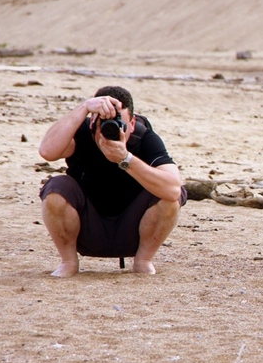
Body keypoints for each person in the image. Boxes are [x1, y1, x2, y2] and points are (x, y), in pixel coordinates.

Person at [38, 85, 186, 277]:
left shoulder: (144, 138)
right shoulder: (82, 133)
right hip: (87, 230)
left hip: (134, 231)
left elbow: (174, 189)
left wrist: (126, 160)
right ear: (93, 121)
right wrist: (84, 108)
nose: (110, 130)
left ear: (132, 123)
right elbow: (47, 151)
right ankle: (68, 262)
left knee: (167, 196)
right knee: (56, 188)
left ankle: (143, 261)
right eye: (104, 124)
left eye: (119, 124)